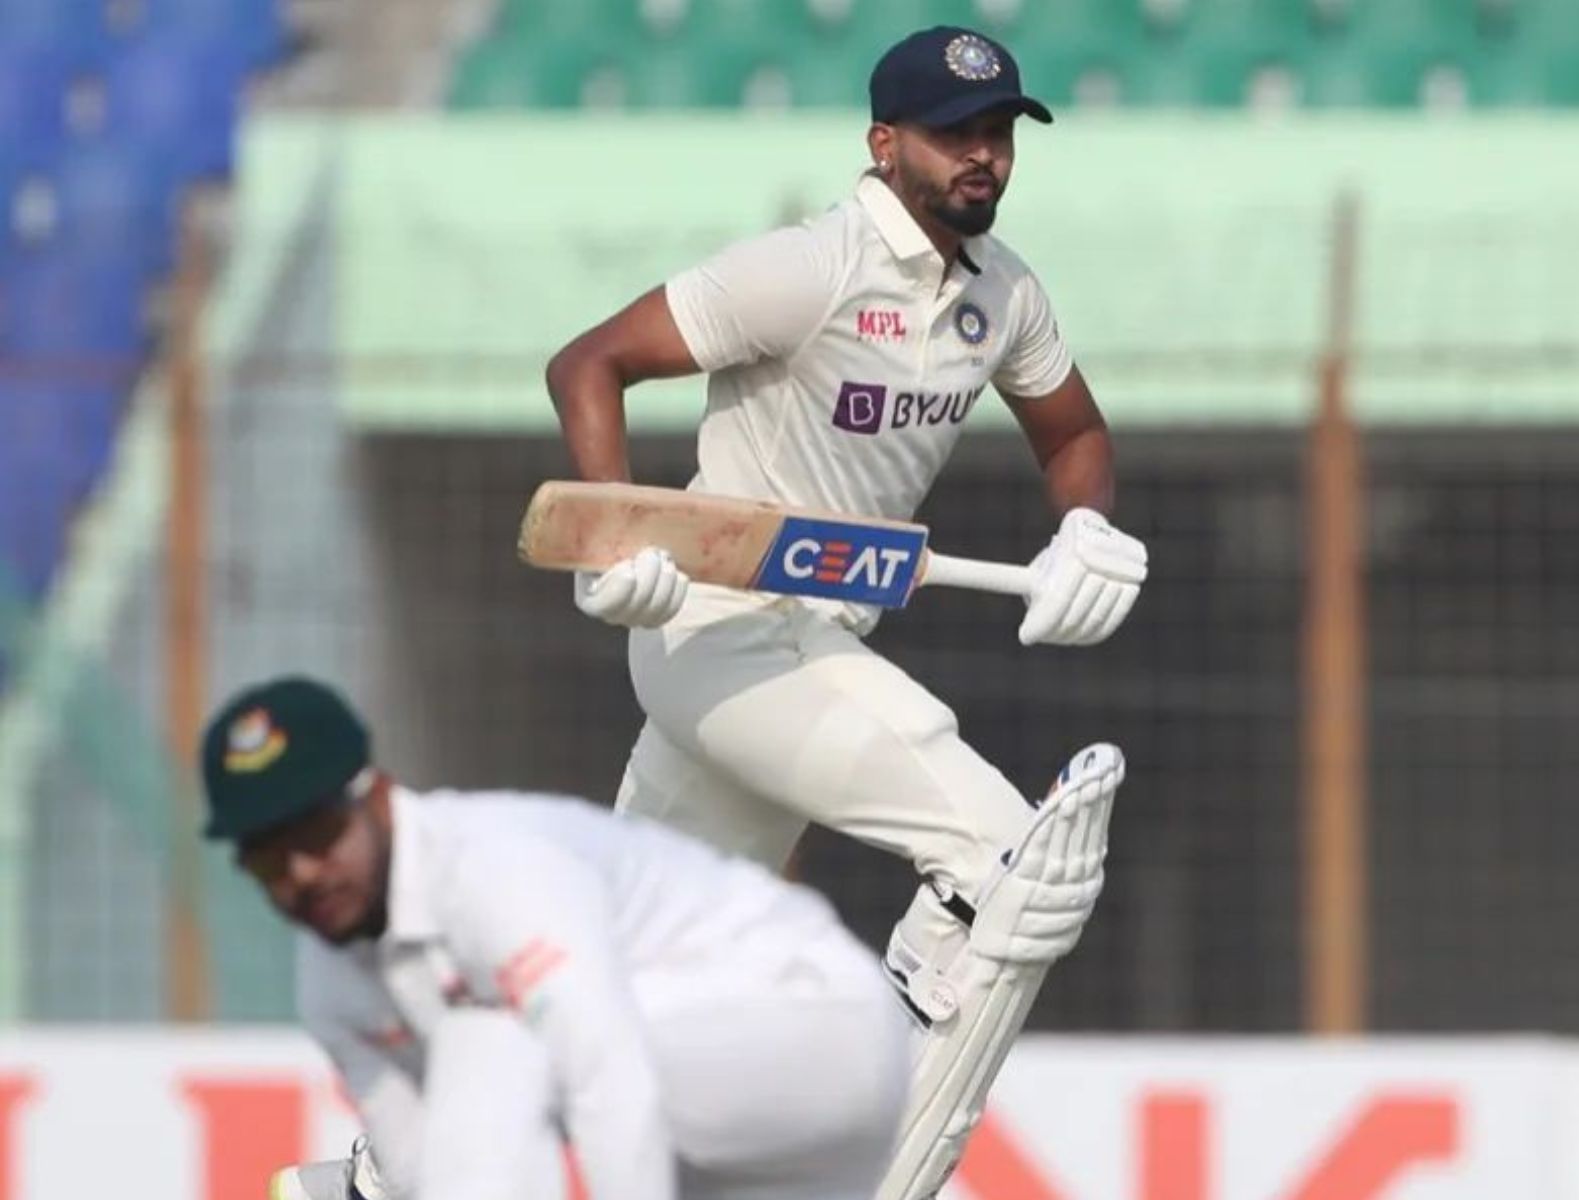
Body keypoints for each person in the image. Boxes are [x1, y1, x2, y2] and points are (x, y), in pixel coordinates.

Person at [544, 25, 1143, 1199]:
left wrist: (1085, 527)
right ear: (884, 144)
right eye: (953, 134)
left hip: (810, 642)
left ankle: (371, 1178)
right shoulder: (806, 268)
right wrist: (615, 538)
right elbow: (589, 364)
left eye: (999, 134)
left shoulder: (1002, 296)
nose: (983, 157)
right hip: (712, 628)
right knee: (1007, 858)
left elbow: (1073, 435)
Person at [202, 676, 908, 1200]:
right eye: (268, 861)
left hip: (821, 1022)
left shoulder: (490, 869)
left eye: (320, 837)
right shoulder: (329, 980)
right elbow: (418, 1172)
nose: (302, 875)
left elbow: (611, 1078)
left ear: (380, 798)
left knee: (499, 1045)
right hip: (722, 1097)